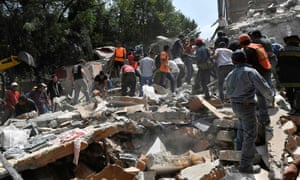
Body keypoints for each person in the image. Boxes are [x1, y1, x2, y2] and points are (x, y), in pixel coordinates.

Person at [226, 50, 273, 174]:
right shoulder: (250, 72)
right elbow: (264, 87)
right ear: (245, 59)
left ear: (233, 61)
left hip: (235, 105)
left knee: (242, 130)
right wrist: (270, 97)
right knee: (250, 134)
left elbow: (227, 92)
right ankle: (246, 165)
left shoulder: (230, 74)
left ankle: (238, 157)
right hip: (246, 105)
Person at [239, 33, 272, 126]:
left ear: (241, 43)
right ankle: (267, 106)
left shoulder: (248, 50)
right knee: (265, 90)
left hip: (259, 72)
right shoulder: (257, 46)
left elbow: (250, 64)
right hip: (266, 69)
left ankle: (264, 117)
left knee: (260, 95)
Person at [277, 35, 300, 115]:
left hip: (286, 78)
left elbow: (278, 66)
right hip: (298, 77)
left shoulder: (281, 51)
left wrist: (279, 77)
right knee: (298, 92)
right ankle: (298, 109)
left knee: (289, 93)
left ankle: (292, 108)